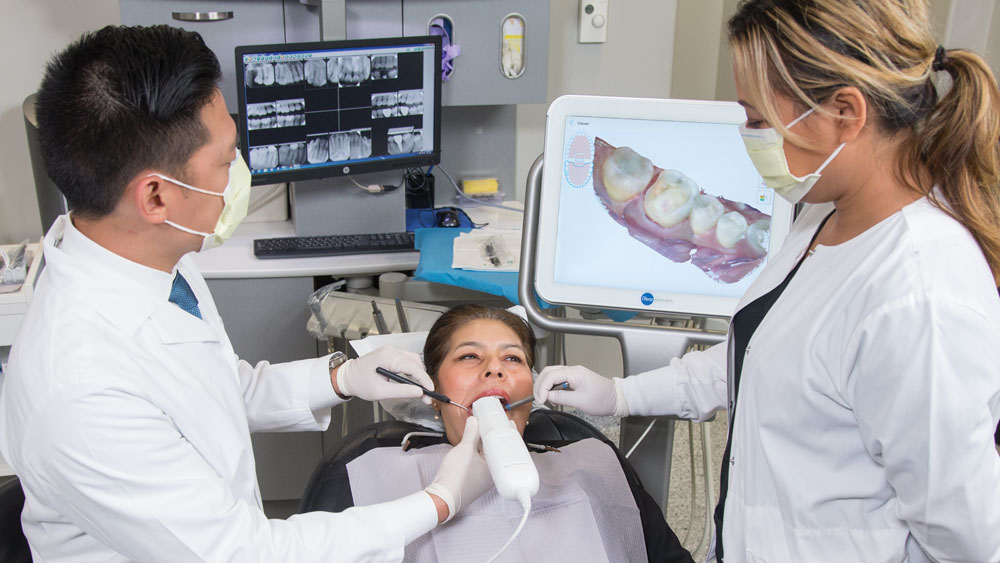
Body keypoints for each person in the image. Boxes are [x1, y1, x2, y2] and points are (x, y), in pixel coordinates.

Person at [0, 25, 491, 562]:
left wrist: (342, 378)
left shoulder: (149, 255)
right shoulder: (80, 389)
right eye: (226, 159)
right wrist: (440, 502)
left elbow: (210, 387)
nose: (242, 173)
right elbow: (244, 553)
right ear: (157, 196)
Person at [535, 1, 1000, 562]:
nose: (748, 136)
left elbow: (965, 538)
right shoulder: (828, 216)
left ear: (846, 113)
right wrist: (620, 393)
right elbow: (767, 358)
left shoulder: (919, 297)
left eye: (758, 119)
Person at [314, 305, 694, 562]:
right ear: (432, 390)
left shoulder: (591, 462)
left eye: (513, 358)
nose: (495, 369)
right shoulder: (370, 472)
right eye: (469, 356)